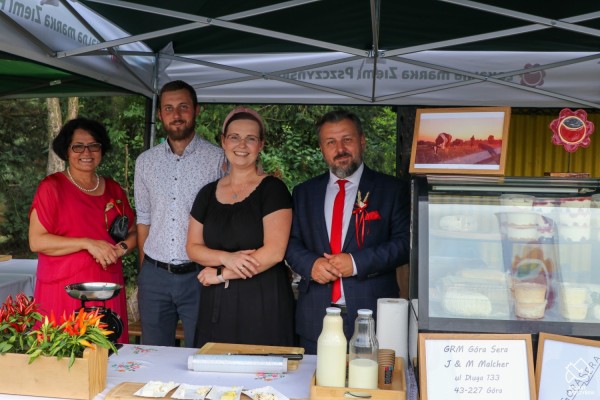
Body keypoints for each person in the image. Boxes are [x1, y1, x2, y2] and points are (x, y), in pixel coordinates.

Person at [285, 109, 410, 354]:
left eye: (347, 139)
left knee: (368, 389)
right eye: (331, 142)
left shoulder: (391, 189)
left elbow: (405, 244)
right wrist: (311, 265)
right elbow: (290, 242)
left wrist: (355, 262)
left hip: (372, 317)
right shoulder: (304, 192)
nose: (340, 148)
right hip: (315, 318)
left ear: (362, 141)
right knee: (317, 388)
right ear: (321, 147)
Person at [186, 106, 295, 347]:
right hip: (217, 302)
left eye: (251, 139)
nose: (242, 145)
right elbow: (193, 248)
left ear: (261, 145)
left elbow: (275, 252)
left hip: (262, 300)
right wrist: (227, 257)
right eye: (234, 137)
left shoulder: (273, 190)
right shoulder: (207, 193)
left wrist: (222, 273)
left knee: (263, 378)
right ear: (224, 142)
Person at [134, 80, 226, 347]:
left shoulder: (219, 160)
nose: (176, 115)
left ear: (197, 110)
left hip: (200, 276)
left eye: (183, 107)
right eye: (169, 108)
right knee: (153, 353)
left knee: (201, 353)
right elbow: (144, 219)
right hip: (154, 275)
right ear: (160, 114)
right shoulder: (145, 162)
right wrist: (144, 275)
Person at [29, 118, 136, 343]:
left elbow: (133, 233)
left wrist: (120, 249)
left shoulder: (113, 188)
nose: (86, 152)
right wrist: (87, 243)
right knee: (64, 361)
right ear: (66, 151)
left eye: (93, 145)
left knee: (109, 359)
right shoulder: (52, 187)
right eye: (78, 146)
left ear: (101, 149)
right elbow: (37, 241)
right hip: (64, 291)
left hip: (107, 288)